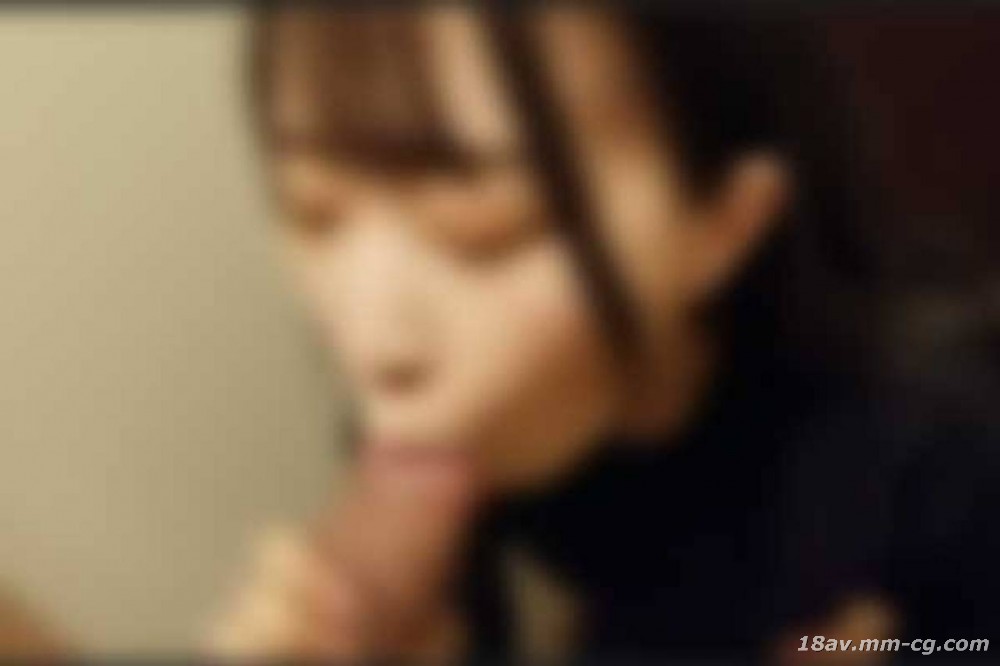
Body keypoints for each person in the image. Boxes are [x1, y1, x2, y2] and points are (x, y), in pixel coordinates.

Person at [208, 6, 1000, 662]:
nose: (375, 345)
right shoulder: (460, 413)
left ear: (726, 220)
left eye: (484, 228)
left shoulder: (938, 456)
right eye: (312, 211)